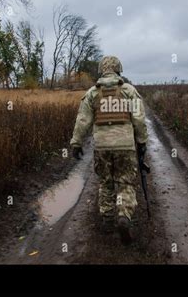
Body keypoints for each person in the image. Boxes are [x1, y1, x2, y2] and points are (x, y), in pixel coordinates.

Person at [70, 55, 148, 244]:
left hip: (102, 147)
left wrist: (76, 143)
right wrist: (142, 141)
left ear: (101, 69)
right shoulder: (129, 90)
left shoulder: (92, 93)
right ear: (118, 69)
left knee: (106, 182)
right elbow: (139, 119)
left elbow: (82, 120)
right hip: (125, 146)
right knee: (125, 183)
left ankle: (107, 219)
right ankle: (123, 215)